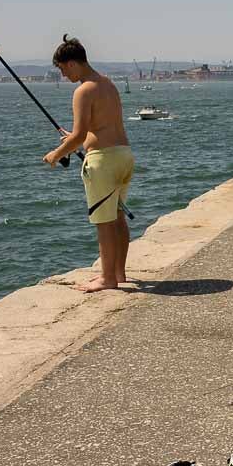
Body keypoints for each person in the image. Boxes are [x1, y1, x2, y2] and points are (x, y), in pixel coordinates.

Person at [42, 35, 134, 292]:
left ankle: (107, 279)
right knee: (117, 217)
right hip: (123, 154)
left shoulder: (83, 90)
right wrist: (72, 140)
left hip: (103, 162)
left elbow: (80, 135)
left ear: (72, 63)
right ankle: (119, 273)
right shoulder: (107, 83)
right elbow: (98, 128)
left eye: (62, 69)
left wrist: (56, 154)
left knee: (103, 222)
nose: (63, 75)